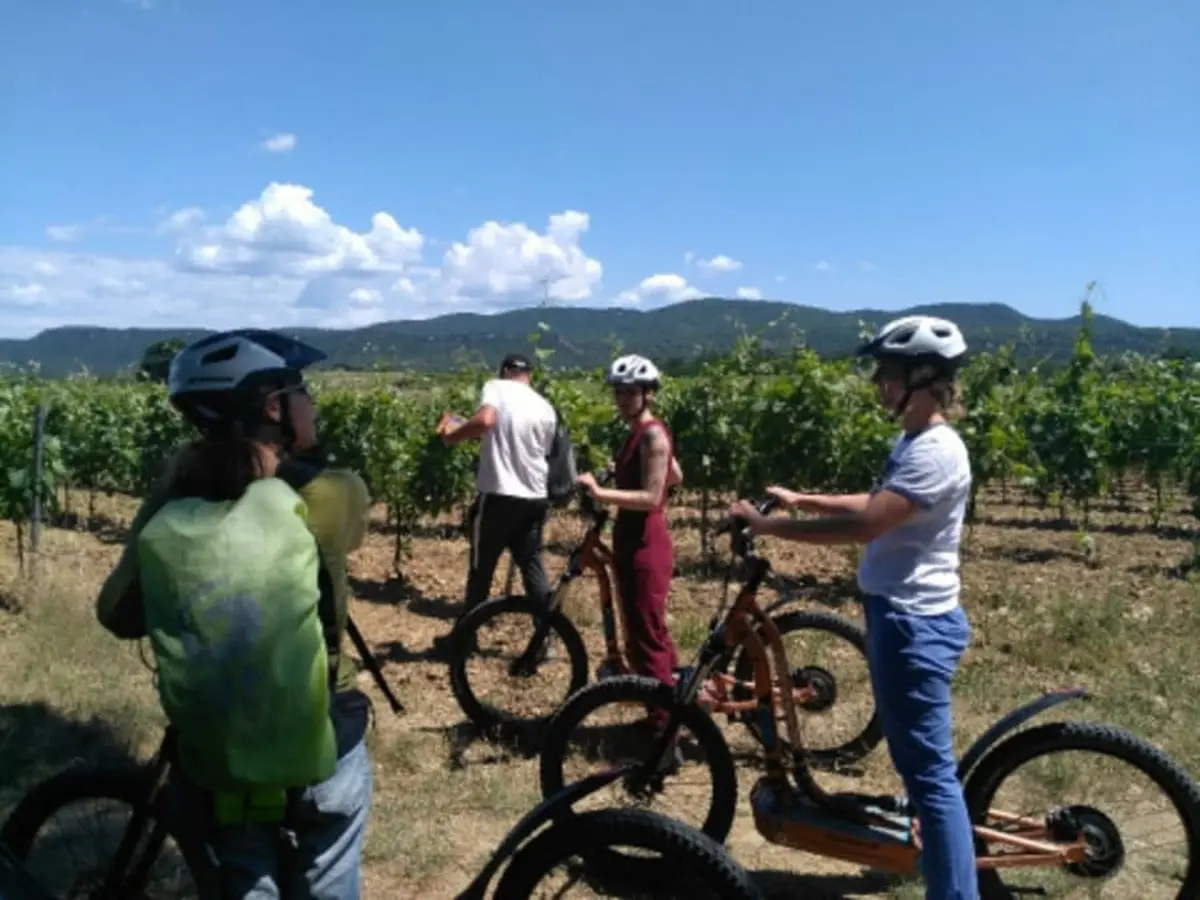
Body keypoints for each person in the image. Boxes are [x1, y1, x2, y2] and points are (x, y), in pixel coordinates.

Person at [95, 329, 374, 900]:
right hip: (323, 732)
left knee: (247, 878)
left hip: (220, 747)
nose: (312, 403)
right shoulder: (332, 493)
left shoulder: (177, 505)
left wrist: (169, 489)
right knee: (329, 880)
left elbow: (117, 613)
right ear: (274, 407)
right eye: (303, 391)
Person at [727, 315, 977, 900]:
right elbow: (878, 500)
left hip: (913, 623)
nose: (878, 385)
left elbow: (868, 523)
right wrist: (803, 498)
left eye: (888, 374)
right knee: (923, 770)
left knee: (933, 779)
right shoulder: (914, 441)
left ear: (923, 377)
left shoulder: (935, 450)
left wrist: (770, 524)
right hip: (904, 615)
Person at [576, 354, 684, 717]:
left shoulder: (652, 433)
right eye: (618, 392)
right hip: (633, 537)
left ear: (649, 393)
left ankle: (664, 733)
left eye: (630, 392)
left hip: (644, 542)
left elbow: (654, 497)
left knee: (646, 637)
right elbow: (676, 475)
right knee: (646, 630)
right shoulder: (640, 433)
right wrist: (621, 470)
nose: (622, 399)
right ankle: (669, 710)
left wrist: (600, 492)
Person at [440, 352, 558, 617]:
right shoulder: (545, 406)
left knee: (481, 570)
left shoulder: (497, 387)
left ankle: (464, 641)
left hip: (499, 496)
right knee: (531, 565)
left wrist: (452, 437)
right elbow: (541, 452)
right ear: (530, 376)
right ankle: (546, 636)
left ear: (504, 371)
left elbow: (485, 421)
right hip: (535, 497)